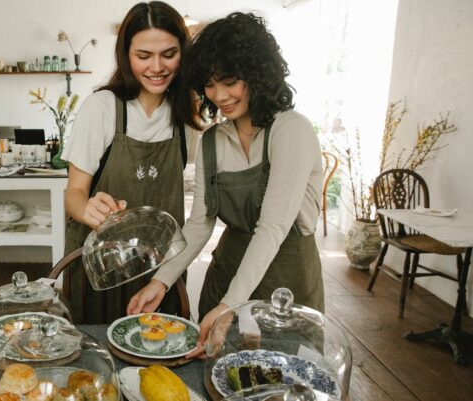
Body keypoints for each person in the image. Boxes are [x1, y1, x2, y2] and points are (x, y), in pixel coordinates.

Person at [127, 12, 325, 355]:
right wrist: (162, 279)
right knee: (218, 373)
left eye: (230, 81)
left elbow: (273, 227)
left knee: (285, 376)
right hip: (227, 271)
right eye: (209, 83)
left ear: (258, 74)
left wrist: (232, 304)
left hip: (286, 280)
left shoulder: (291, 129)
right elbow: (200, 222)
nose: (219, 95)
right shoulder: (212, 141)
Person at [61, 1, 200, 323]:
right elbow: (74, 194)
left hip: (160, 269)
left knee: (158, 354)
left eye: (169, 54)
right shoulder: (102, 107)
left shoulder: (186, 117)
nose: (157, 67)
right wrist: (87, 209)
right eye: (143, 56)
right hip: (102, 264)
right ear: (126, 55)